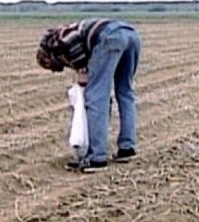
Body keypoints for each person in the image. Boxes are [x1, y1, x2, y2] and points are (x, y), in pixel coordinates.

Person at [37, 18, 141, 173]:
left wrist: (83, 74)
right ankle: (127, 148)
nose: (53, 69)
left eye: (49, 65)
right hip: (131, 35)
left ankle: (96, 157)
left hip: (109, 37)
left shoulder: (60, 41)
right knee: (125, 92)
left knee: (96, 96)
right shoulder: (66, 36)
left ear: (48, 56)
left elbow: (83, 70)